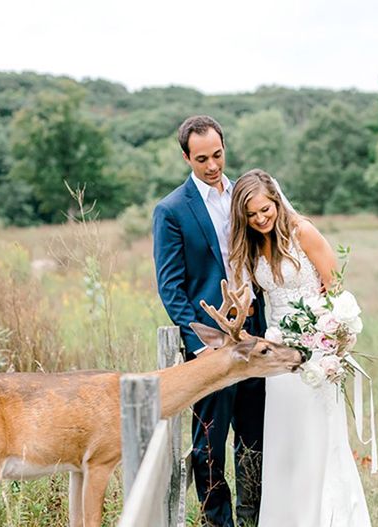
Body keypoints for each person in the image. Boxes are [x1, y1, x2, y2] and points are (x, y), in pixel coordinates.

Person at [228, 169, 371, 526]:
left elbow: (334, 286)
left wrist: (328, 337)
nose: (261, 219)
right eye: (252, 215)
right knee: (285, 438)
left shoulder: (301, 232)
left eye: (265, 210)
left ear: (276, 201)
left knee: (317, 436)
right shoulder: (250, 247)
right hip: (277, 355)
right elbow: (246, 302)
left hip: (315, 349)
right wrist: (236, 311)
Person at [153, 116, 268, 527]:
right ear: (186, 157)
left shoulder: (244, 196)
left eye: (218, 155)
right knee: (209, 444)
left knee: (255, 436)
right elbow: (171, 287)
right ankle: (217, 522)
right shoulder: (171, 210)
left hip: (255, 334)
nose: (213, 166)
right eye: (202, 159)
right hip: (212, 344)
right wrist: (201, 345)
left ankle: (253, 517)